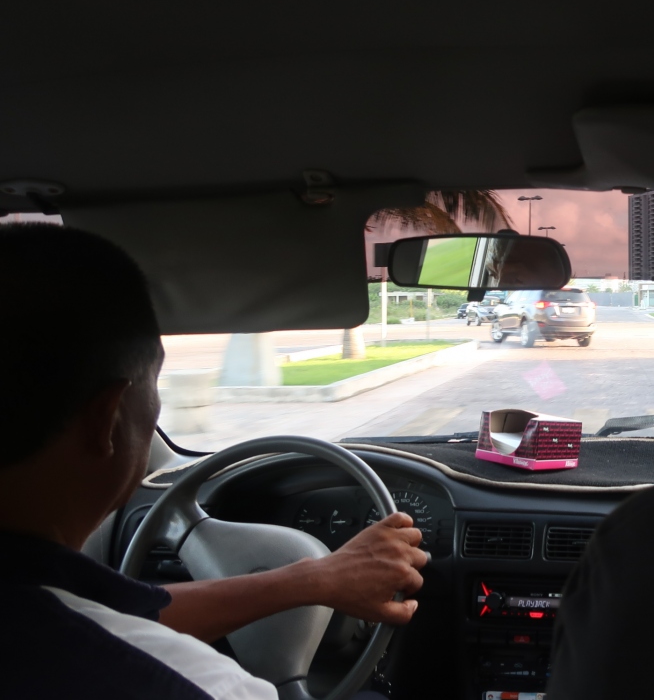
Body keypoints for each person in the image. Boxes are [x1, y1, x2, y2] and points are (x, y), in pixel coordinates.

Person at [0, 223, 429, 699]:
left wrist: (315, 580)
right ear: (108, 419)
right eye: (154, 385)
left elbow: (116, 614)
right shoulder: (201, 685)